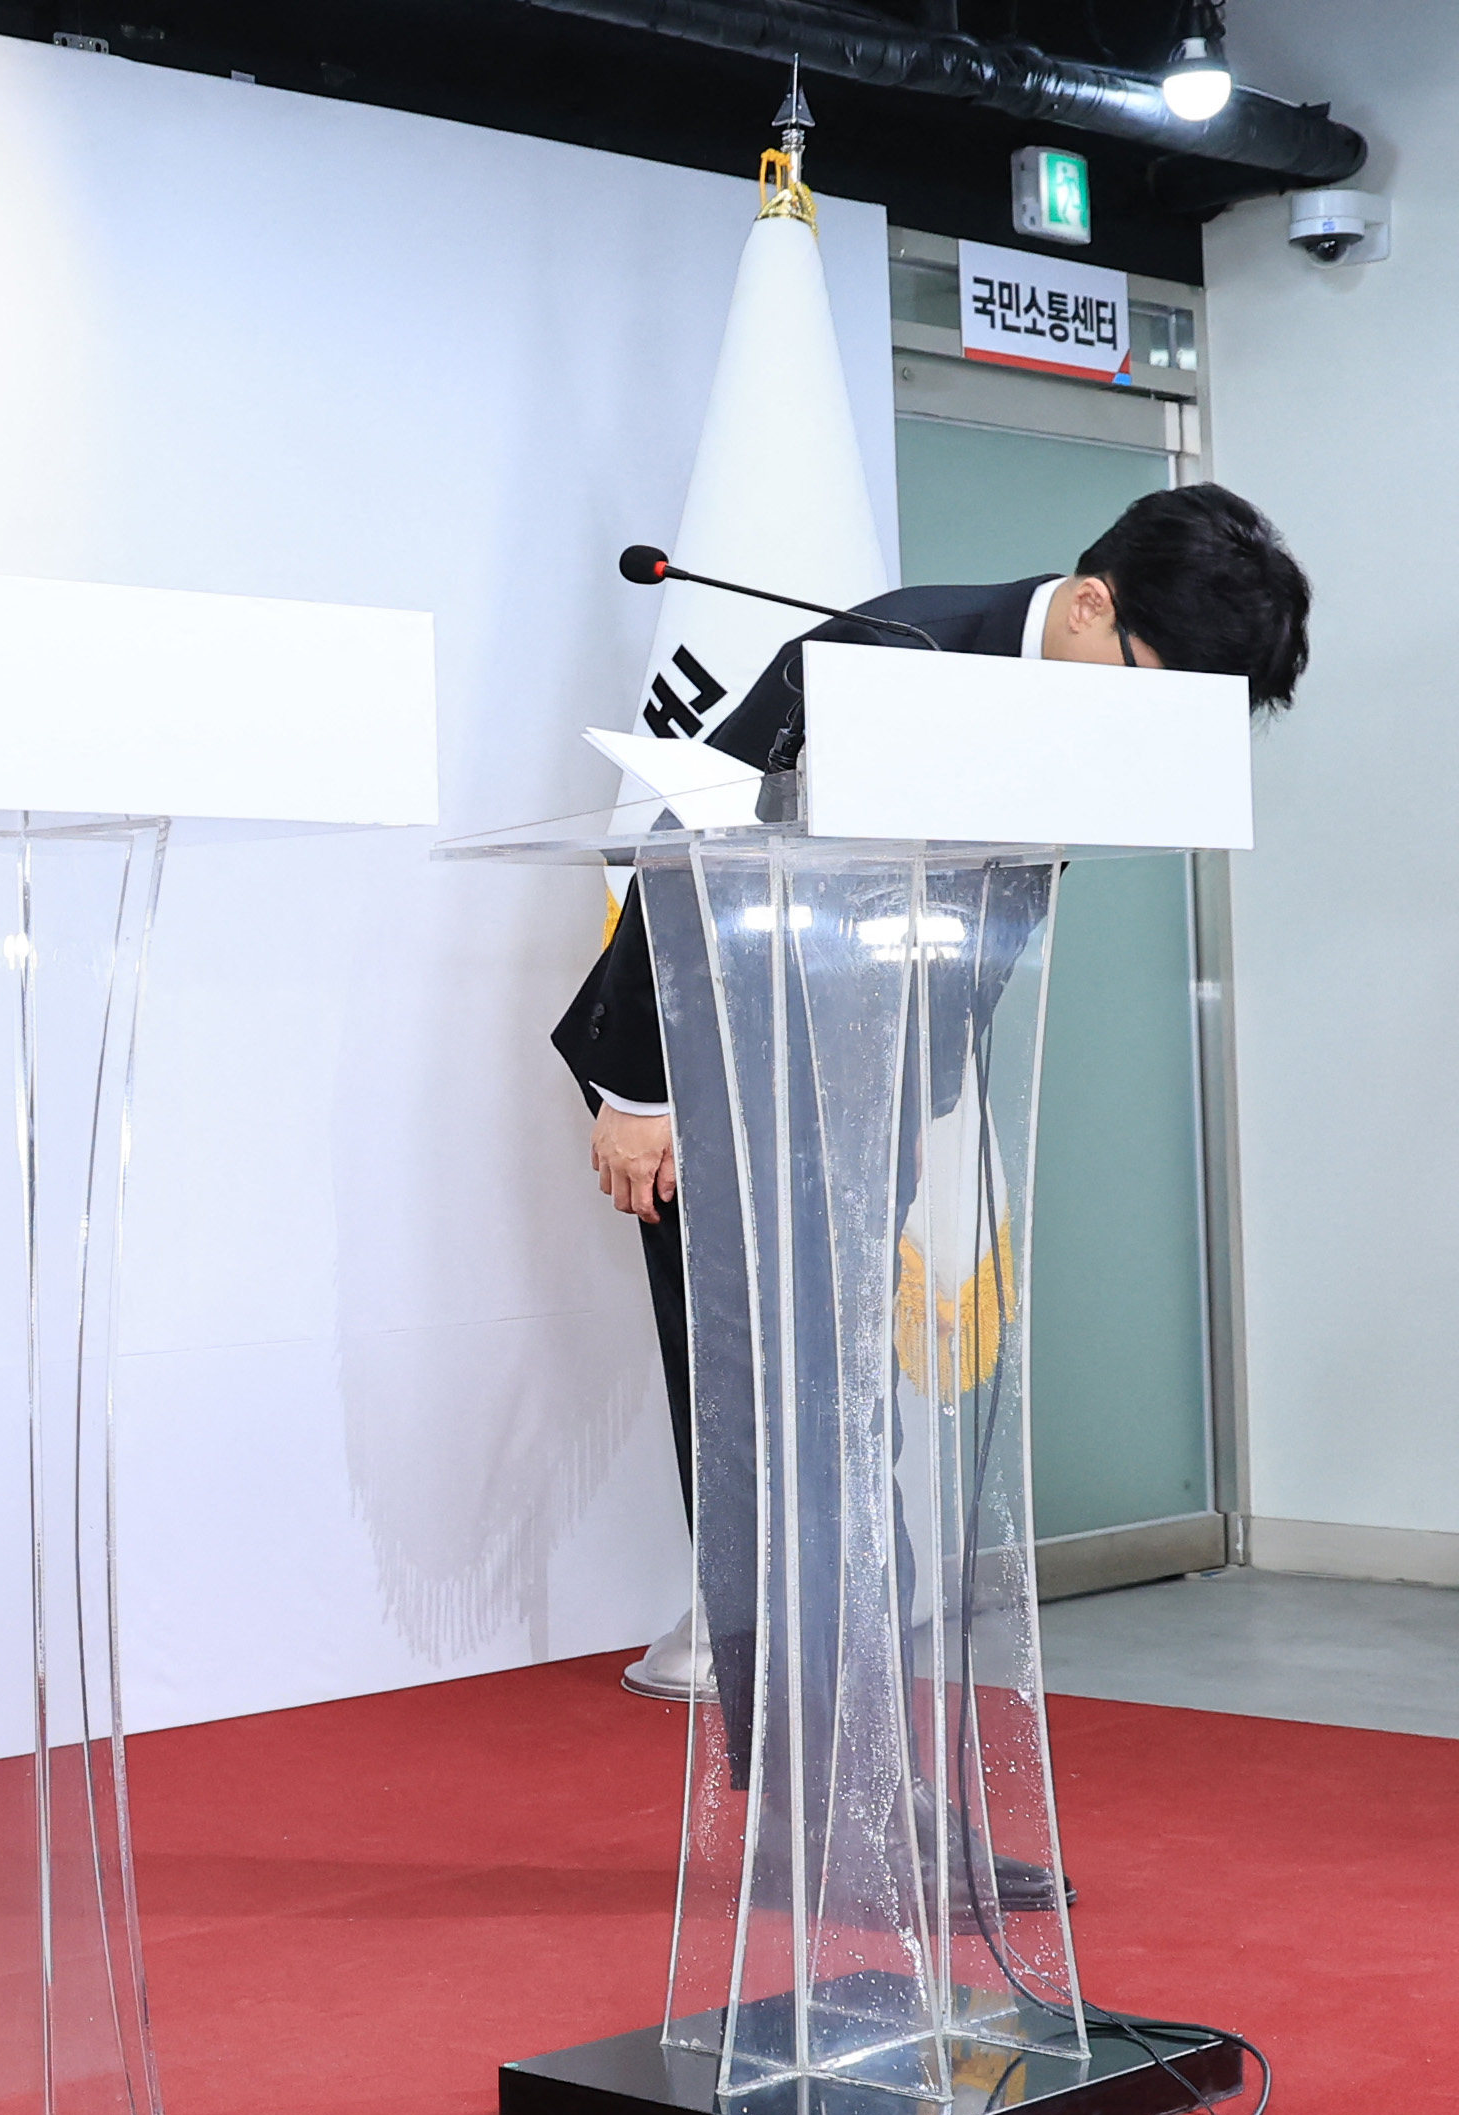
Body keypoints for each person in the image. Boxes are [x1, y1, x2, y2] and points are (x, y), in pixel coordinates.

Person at [554, 482, 1308, 1756]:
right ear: (1088, 605)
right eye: (1154, 688)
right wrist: (639, 1092)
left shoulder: (1087, 717)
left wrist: (929, 1100)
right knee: (759, 1429)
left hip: (862, 1093)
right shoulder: (891, 656)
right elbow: (691, 856)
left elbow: (989, 923)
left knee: (849, 1430)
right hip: (714, 1082)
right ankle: (806, 1786)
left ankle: (865, 1787)